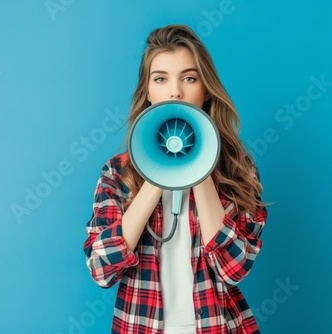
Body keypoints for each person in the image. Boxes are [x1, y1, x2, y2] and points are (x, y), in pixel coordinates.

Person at [83, 24, 268, 334]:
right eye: (160, 79)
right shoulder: (118, 173)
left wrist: (199, 166)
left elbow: (234, 270)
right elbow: (101, 270)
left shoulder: (238, 170)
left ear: (206, 89)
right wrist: (156, 171)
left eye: (189, 78)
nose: (175, 92)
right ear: (148, 93)